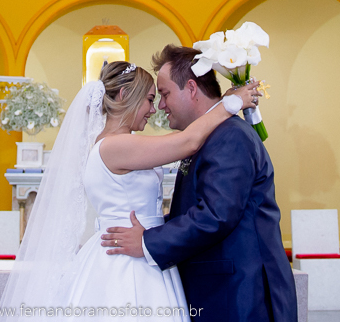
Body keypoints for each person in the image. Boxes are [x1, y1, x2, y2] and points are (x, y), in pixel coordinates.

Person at [0, 59, 259, 318]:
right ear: (124, 95)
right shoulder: (114, 146)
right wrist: (229, 103)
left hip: (141, 250)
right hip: (127, 263)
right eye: (149, 99)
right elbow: (188, 141)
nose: (153, 109)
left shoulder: (116, 144)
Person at [101, 45, 297, 322]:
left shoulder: (229, 135)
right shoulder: (211, 135)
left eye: (165, 94)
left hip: (237, 293)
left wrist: (147, 240)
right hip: (220, 288)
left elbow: (217, 214)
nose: (160, 106)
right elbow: (192, 209)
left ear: (191, 89)